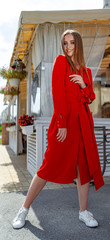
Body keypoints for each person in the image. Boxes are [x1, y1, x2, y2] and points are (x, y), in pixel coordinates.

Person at [12, 29, 104, 229]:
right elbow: (57, 93)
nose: (69, 47)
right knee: (47, 167)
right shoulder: (61, 62)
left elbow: (89, 99)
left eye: (72, 43)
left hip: (83, 123)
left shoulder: (86, 71)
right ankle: (24, 209)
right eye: (65, 43)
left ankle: (83, 211)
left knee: (83, 169)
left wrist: (84, 83)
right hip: (65, 121)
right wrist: (62, 123)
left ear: (78, 44)